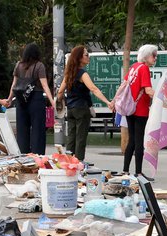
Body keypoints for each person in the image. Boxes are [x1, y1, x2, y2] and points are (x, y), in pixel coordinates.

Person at [56, 46, 114, 162]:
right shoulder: (82, 74)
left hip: (71, 109)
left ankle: (67, 162)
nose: (89, 57)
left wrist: (59, 105)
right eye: (86, 55)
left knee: (71, 137)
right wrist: (107, 102)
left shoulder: (69, 73)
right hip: (81, 108)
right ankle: (78, 163)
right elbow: (93, 88)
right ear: (79, 58)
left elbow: (60, 91)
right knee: (81, 138)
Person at [8, 44, 55, 154]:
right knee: (38, 129)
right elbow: (44, 86)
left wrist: (9, 99)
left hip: (21, 100)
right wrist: (52, 102)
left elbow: (14, 85)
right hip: (36, 99)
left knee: (22, 130)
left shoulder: (18, 65)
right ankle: (37, 155)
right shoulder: (39, 66)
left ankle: (23, 154)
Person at [122, 44, 158, 178]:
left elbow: (124, 84)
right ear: (146, 56)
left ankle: (125, 170)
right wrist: (162, 98)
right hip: (140, 109)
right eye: (153, 56)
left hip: (130, 108)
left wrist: (114, 101)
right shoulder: (144, 69)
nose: (155, 58)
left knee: (131, 139)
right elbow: (148, 90)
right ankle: (138, 172)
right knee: (139, 141)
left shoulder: (133, 67)